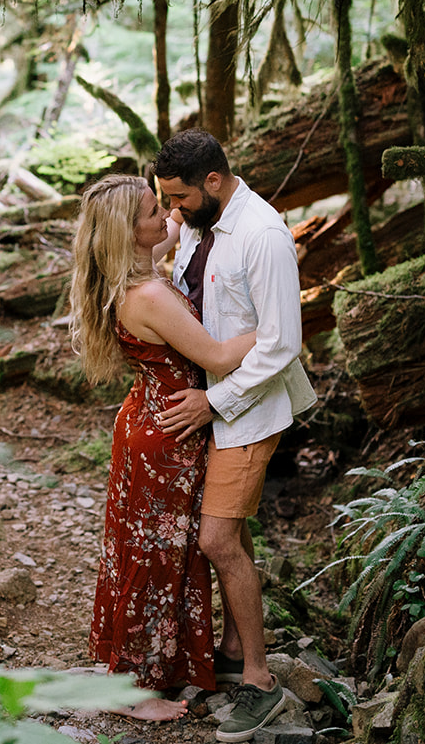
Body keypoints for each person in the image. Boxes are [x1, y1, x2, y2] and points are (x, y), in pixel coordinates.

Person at [70, 174, 257, 721]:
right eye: (156, 211)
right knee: (154, 557)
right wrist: (274, 327)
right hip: (166, 436)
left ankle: (166, 662)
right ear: (131, 232)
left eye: (166, 206)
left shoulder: (131, 270)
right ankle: (137, 690)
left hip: (151, 421)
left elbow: (178, 223)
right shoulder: (148, 294)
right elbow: (221, 359)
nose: (168, 217)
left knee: (156, 550)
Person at [152, 128, 317, 743]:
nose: (172, 210)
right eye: (164, 199)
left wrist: (212, 400)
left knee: (217, 540)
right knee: (234, 535)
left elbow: (281, 343)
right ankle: (228, 651)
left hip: (246, 411)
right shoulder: (201, 222)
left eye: (179, 198)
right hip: (213, 408)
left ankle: (259, 682)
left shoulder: (262, 235)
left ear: (213, 182)